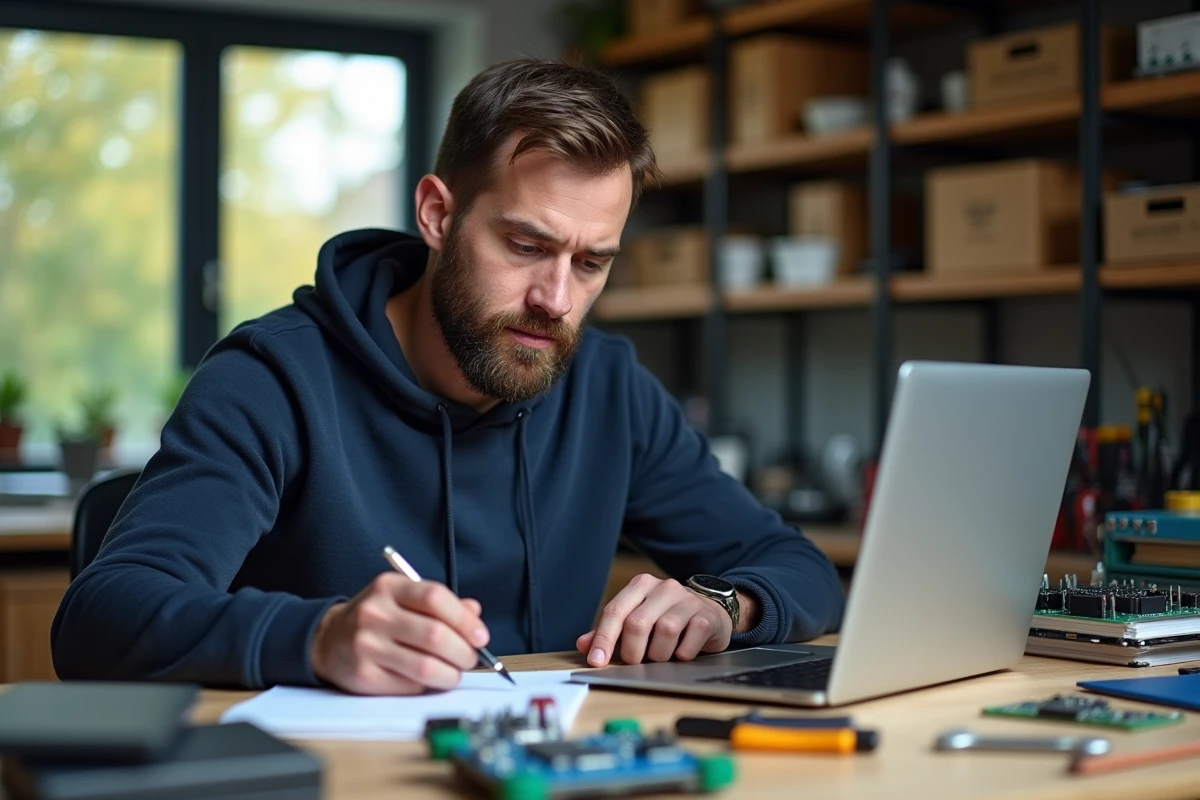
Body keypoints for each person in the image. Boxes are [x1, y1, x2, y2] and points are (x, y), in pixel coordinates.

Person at [51, 59, 844, 695]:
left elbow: (802, 569)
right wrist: (317, 638)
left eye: (592, 262)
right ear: (437, 215)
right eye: (527, 246)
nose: (556, 299)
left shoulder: (608, 387)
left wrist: (724, 605)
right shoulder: (275, 377)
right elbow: (99, 618)